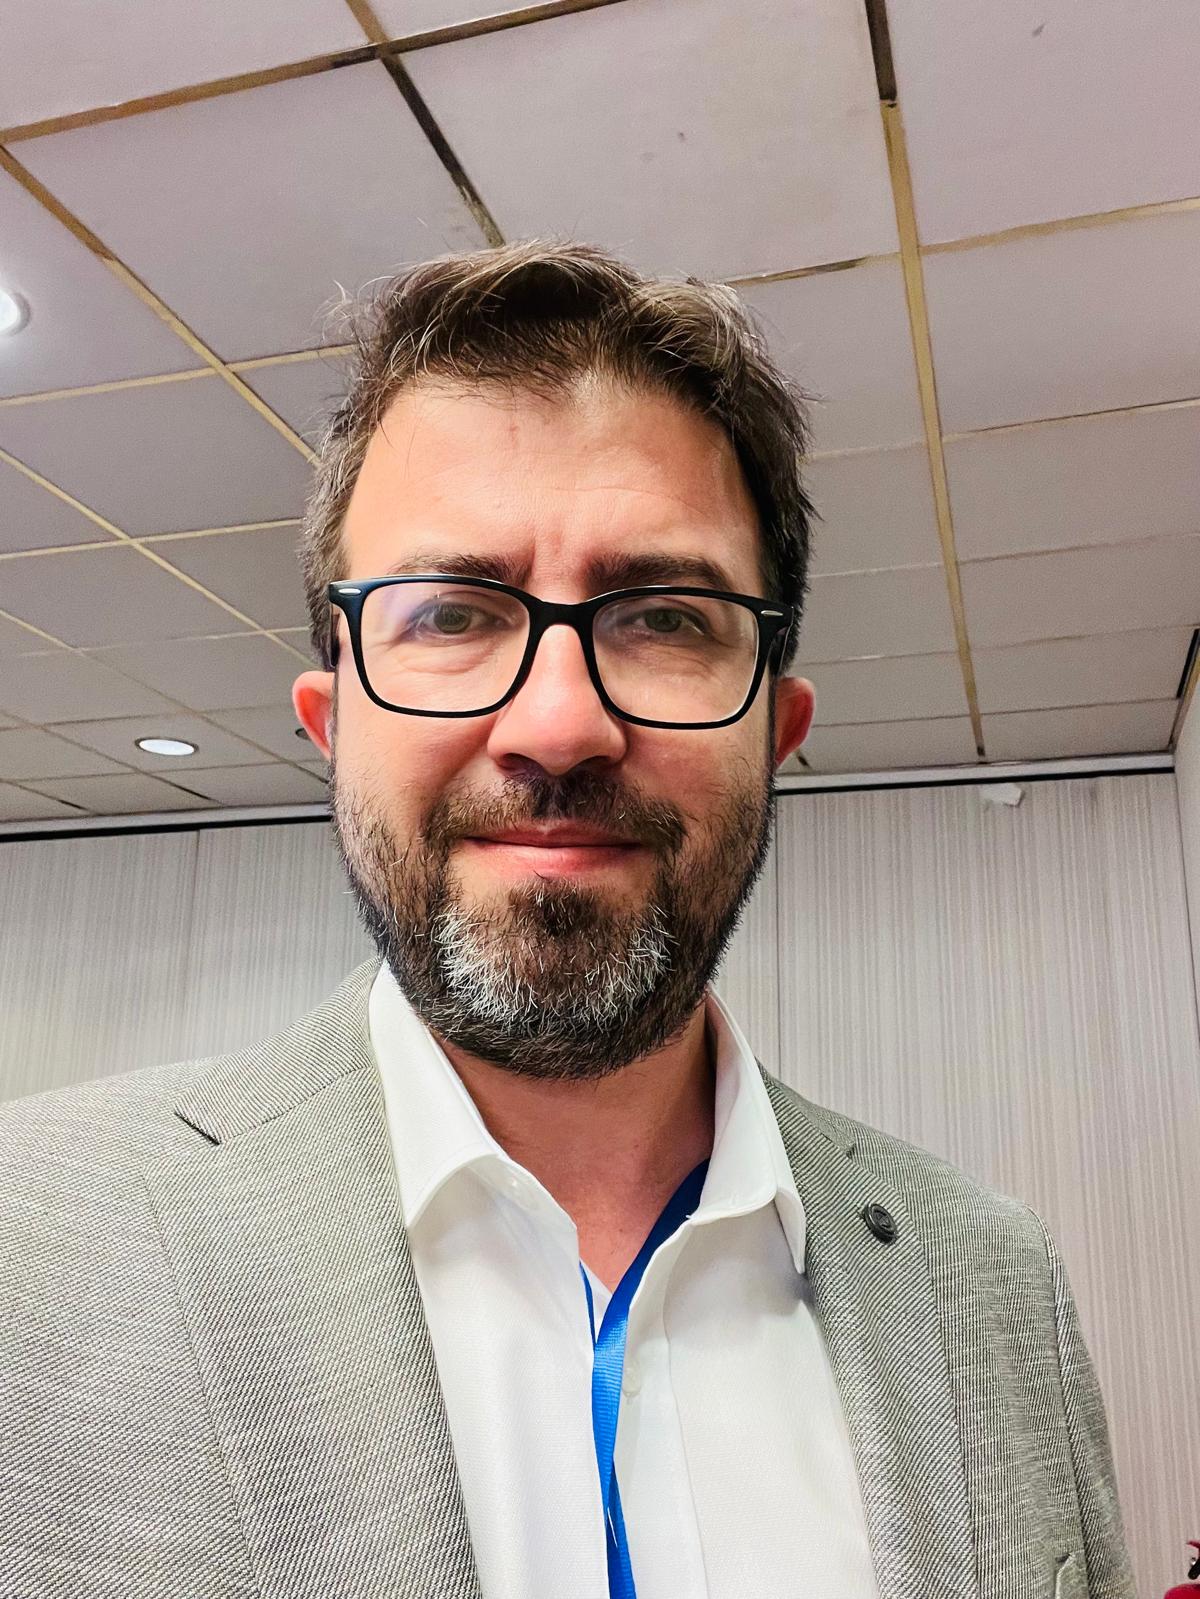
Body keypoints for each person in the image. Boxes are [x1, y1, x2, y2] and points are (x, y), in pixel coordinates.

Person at [0, 241, 1133, 1599]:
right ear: (332, 725)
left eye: (664, 616)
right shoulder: (32, 1244)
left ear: (776, 733)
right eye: (450, 613)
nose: (557, 724)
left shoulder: (994, 1284)